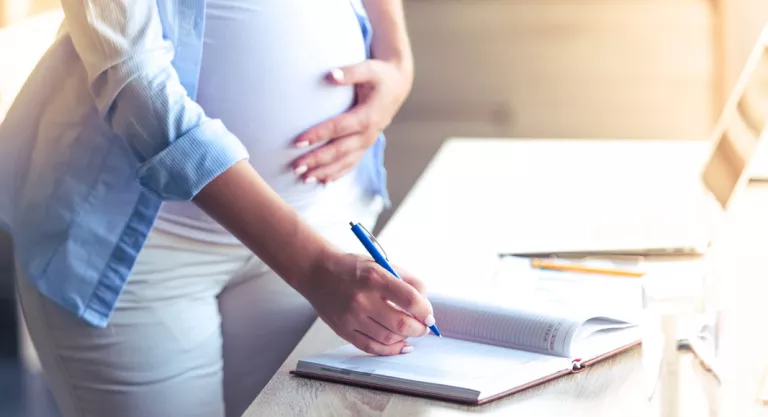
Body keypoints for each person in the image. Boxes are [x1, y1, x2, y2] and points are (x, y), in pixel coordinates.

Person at [0, 0, 435, 416]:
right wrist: (315, 267)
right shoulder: (316, 267)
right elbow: (136, 86)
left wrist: (397, 60)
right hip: (140, 255)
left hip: (322, 217)